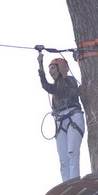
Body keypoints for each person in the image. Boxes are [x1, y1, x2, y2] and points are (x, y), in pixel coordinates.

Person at [38, 52, 85, 182]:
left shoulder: (69, 80)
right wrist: (40, 65)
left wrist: (64, 72)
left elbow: (63, 88)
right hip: (61, 120)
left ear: (60, 68)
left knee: (72, 152)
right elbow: (46, 86)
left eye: (53, 68)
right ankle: (66, 184)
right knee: (63, 159)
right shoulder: (55, 86)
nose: (50, 71)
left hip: (73, 117)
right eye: (49, 69)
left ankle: (74, 182)